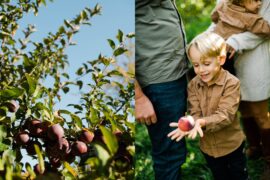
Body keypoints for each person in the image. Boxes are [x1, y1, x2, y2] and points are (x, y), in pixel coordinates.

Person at [168, 32, 249, 180]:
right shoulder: (193, 84)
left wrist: (202, 122)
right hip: (209, 148)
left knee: (238, 176)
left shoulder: (231, 83)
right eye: (196, 65)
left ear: (221, 59)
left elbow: (226, 115)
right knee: (220, 176)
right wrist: (190, 122)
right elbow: (194, 111)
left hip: (232, 146)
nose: (201, 70)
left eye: (206, 64)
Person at [135, 0, 190, 179]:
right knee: (169, 154)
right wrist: (138, 97)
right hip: (158, 78)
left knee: (175, 147)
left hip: (176, 67)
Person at [225, 0, 270, 179]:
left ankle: (269, 159)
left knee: (259, 112)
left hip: (255, 59)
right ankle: (254, 146)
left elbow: (266, 28)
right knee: (242, 105)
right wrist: (206, 40)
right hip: (230, 60)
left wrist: (235, 41)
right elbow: (218, 20)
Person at [210, 0, 270, 75]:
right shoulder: (249, 18)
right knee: (228, 76)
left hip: (213, 42)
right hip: (225, 50)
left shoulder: (224, 4)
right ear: (241, 2)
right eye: (255, 0)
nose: (259, 3)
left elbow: (214, 17)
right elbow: (266, 30)